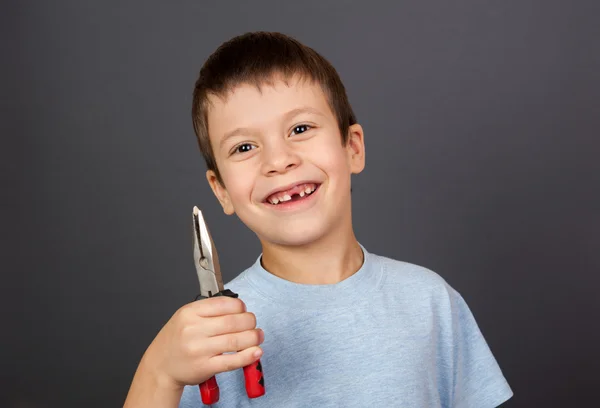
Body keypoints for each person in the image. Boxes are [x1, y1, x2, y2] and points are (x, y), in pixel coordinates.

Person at [124, 31, 513, 408]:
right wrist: (159, 372)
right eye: (244, 147)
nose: (279, 161)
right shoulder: (207, 339)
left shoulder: (431, 303)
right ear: (221, 189)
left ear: (352, 148)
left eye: (300, 128)